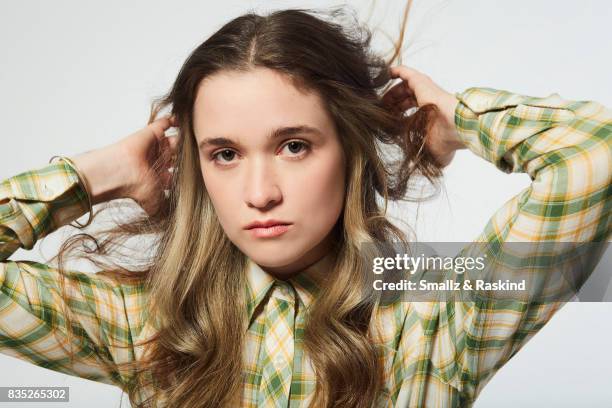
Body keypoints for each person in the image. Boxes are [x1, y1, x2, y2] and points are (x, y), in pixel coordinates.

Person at [0, 6, 610, 408]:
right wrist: (92, 175)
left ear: (350, 147)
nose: (260, 192)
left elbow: (595, 157)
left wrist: (456, 121)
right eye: (225, 154)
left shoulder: (430, 300)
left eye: (294, 146)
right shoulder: (148, 320)